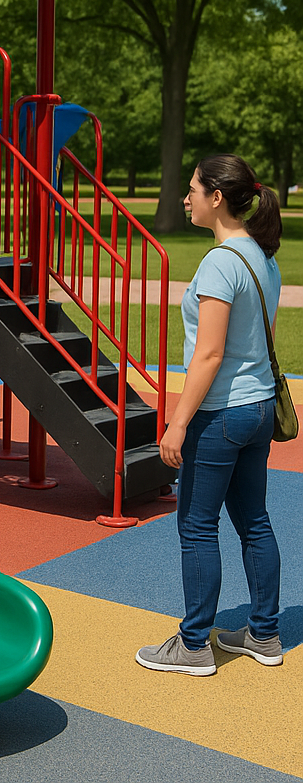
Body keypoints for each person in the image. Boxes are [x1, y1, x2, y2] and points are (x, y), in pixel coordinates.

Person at [137, 154, 283, 676]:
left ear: (216, 198)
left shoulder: (221, 263)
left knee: (198, 528)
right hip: (258, 408)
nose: (186, 198)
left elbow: (210, 354)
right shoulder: (262, 257)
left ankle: (194, 644)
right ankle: (265, 634)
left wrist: (177, 423)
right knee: (255, 522)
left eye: (193, 189)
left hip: (221, 414)